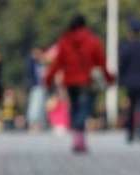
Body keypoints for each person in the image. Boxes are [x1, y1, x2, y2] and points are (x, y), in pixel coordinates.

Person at [45, 15, 114, 154]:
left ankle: (77, 137)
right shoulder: (92, 41)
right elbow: (101, 62)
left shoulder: (64, 41)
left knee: (75, 108)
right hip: (86, 81)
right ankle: (79, 137)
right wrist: (109, 77)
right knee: (84, 109)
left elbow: (57, 63)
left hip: (70, 81)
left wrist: (48, 79)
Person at [26, 47, 48, 131]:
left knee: (41, 105)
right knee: (34, 105)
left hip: (42, 86)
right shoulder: (32, 62)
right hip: (35, 86)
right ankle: (33, 123)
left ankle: (40, 123)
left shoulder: (41, 63)